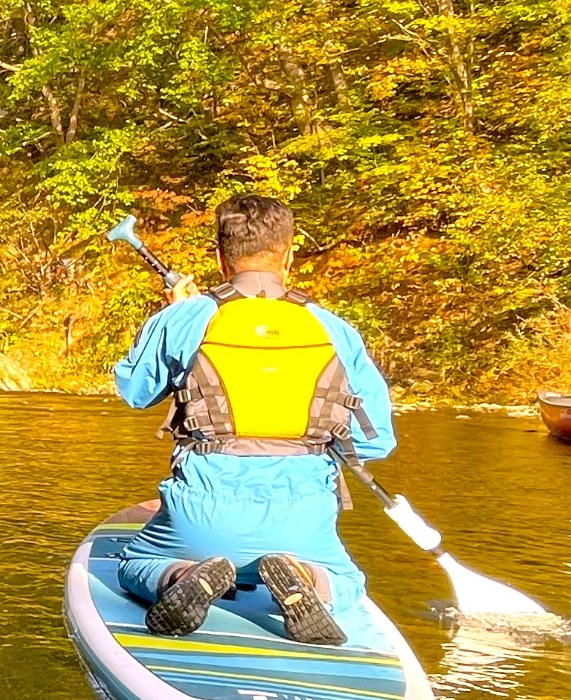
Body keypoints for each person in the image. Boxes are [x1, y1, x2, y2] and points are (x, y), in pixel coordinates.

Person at [110, 192, 396, 648]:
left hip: (198, 517)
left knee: (133, 563)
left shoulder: (186, 317)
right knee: (348, 581)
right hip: (302, 520)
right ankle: (307, 577)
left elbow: (135, 392)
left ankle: (183, 573)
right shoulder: (335, 329)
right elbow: (377, 443)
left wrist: (171, 312)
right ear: (289, 255)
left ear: (221, 258)